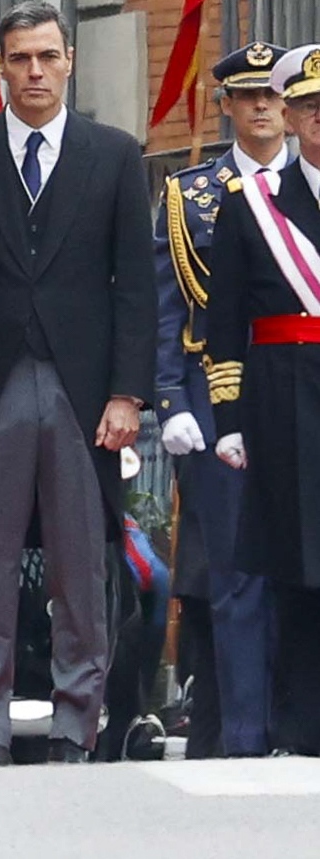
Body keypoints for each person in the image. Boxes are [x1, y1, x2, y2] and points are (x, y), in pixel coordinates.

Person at [0, 1, 157, 766]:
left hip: (85, 393)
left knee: (82, 565)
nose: (35, 72)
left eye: (48, 56)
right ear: (2, 68)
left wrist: (128, 392)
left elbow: (134, 290)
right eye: (19, 58)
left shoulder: (115, 155)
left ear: (71, 61)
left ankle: (73, 727)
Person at [154, 42, 289, 760]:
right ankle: (244, 735)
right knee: (236, 574)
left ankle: (298, 722)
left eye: (274, 95)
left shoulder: (313, 185)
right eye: (248, 95)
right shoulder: (190, 195)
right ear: (228, 106)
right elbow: (164, 305)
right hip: (217, 393)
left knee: (301, 568)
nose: (263, 107)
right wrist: (170, 395)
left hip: (299, 389)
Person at [206, 44, 320, 757]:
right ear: (291, 115)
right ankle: (300, 726)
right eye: (310, 107)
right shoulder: (254, 208)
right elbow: (224, 322)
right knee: (297, 567)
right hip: (285, 396)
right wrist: (229, 419)